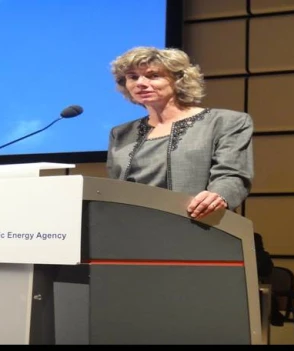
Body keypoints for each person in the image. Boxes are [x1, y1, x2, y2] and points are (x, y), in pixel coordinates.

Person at [106, 46, 254, 220]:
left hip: (198, 224)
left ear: (178, 80)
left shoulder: (224, 122)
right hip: (133, 228)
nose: (140, 83)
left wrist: (218, 196)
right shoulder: (121, 133)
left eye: (153, 76)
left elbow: (232, 176)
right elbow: (115, 190)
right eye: (133, 77)